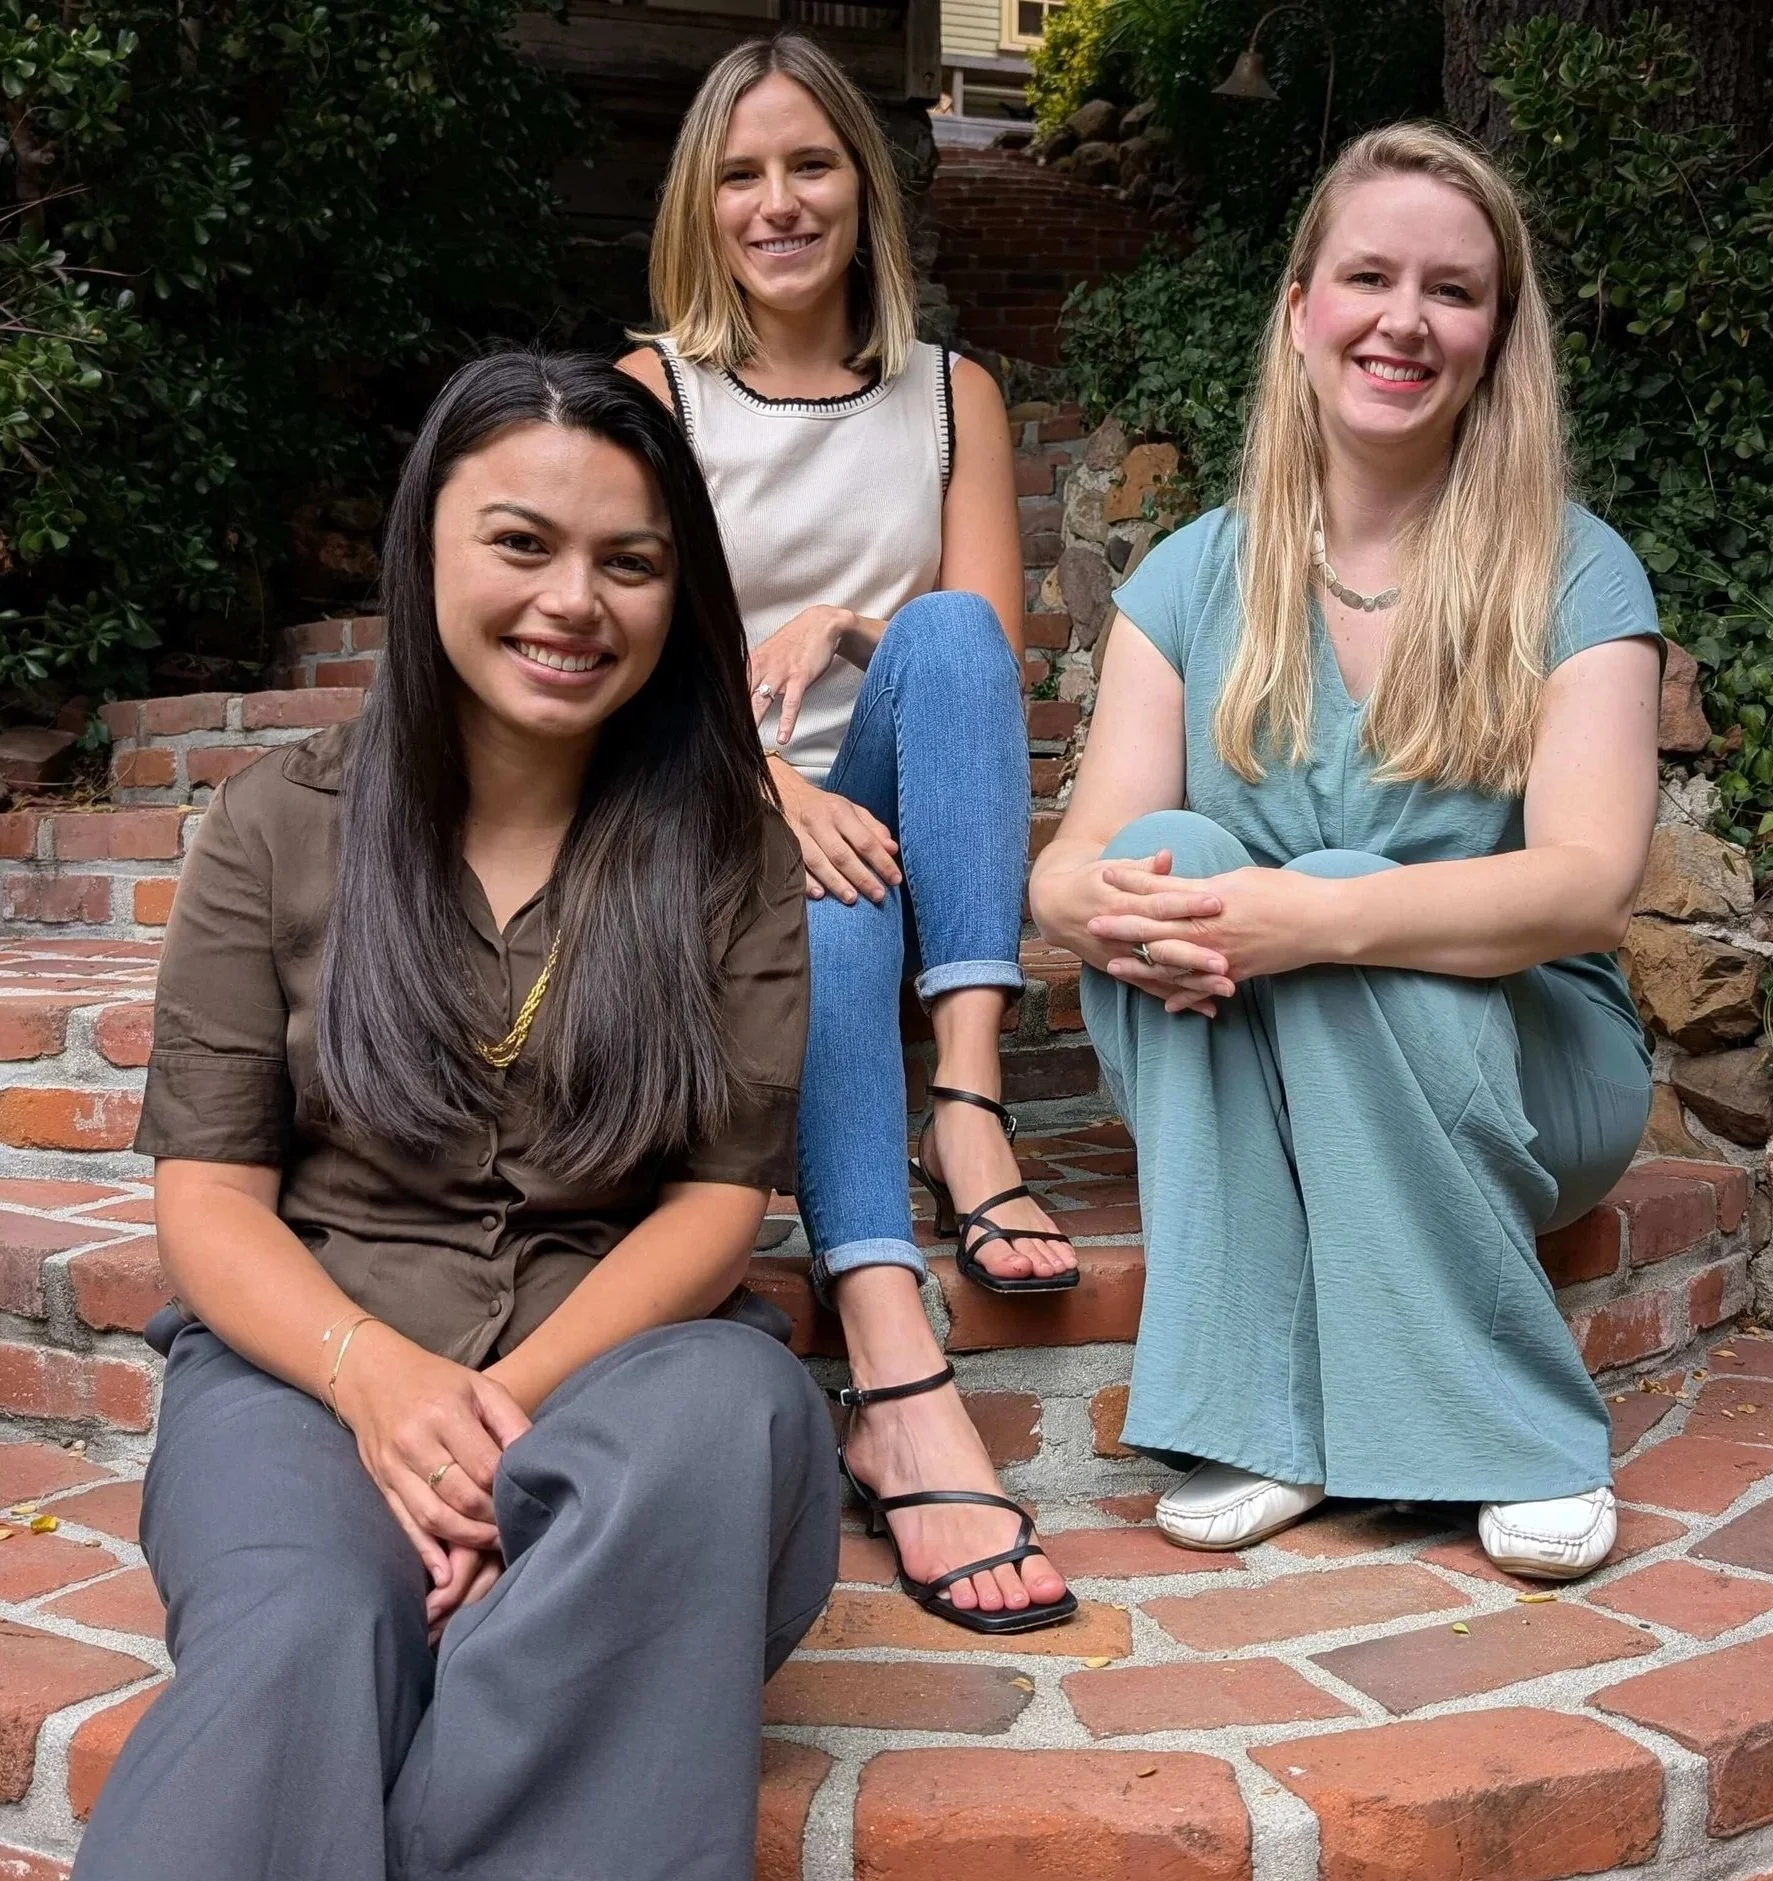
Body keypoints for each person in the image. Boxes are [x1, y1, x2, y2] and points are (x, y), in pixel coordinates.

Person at [73, 353, 837, 1881]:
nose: (574, 601)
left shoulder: (730, 853)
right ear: (426, 543)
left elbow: (714, 1204)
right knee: (304, 1628)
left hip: (621, 1380)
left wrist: (491, 1429)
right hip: (308, 1369)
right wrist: (372, 1380)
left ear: (677, 594)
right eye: (521, 544)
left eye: (630, 563)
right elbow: (209, 1198)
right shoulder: (276, 828)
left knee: (729, 1420)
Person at [1030, 124, 1664, 1583]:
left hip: (1522, 1067)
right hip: (1251, 1064)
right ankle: (1255, 1418)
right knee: (1167, 851)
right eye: (1370, 277)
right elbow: (1077, 862)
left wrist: (1314, 922)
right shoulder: (1193, 572)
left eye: (1453, 290)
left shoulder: (1573, 569)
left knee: (1321, 888)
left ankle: (1513, 1433)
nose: (1405, 320)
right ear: (1302, 307)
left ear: (1497, 335)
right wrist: (1088, 899)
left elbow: (1587, 885)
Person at [620, 31, 1076, 1633]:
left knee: (939, 634)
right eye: (742, 174)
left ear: (864, 188)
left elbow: (984, 654)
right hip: (706, 814)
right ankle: (893, 1364)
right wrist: (773, 789)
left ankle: (967, 1104)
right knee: (824, 893)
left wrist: (845, 627)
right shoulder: (653, 399)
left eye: (810, 164)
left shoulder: (950, 395)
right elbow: (627, 670)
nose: (779, 202)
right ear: (702, 202)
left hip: (900, 798)